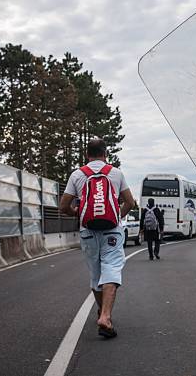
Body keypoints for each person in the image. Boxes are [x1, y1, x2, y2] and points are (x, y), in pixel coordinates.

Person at [60, 139, 135, 339]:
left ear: (87, 154)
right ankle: (106, 316)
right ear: (105, 153)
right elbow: (130, 202)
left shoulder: (77, 175)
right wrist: (117, 215)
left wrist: (78, 213)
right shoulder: (116, 173)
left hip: (87, 231)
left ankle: (102, 311)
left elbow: (63, 206)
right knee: (111, 267)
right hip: (112, 230)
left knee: (96, 273)